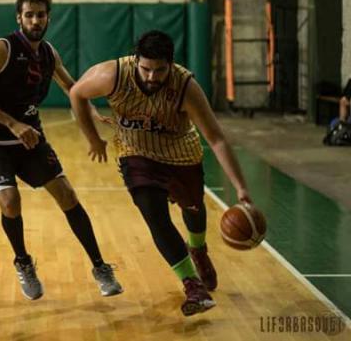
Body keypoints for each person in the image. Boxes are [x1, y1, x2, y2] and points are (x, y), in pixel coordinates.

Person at [69, 30, 254, 316]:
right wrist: (93, 139)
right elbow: (76, 93)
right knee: (155, 216)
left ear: (171, 64)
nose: (152, 76)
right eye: (146, 69)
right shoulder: (112, 75)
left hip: (181, 152)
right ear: (136, 60)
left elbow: (216, 139)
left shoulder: (186, 87)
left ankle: (198, 249)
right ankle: (192, 285)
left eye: (160, 70)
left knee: (193, 210)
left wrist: (240, 188)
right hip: (136, 153)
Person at [0, 0, 122, 301]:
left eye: (40, 15)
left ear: (48, 18)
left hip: (30, 136)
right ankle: (23, 262)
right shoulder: (2, 48)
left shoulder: (49, 53)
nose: (35, 20)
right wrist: (12, 123)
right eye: (29, 15)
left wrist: (91, 110)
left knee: (67, 195)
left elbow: (71, 87)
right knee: (10, 202)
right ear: (19, 18)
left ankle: (100, 267)